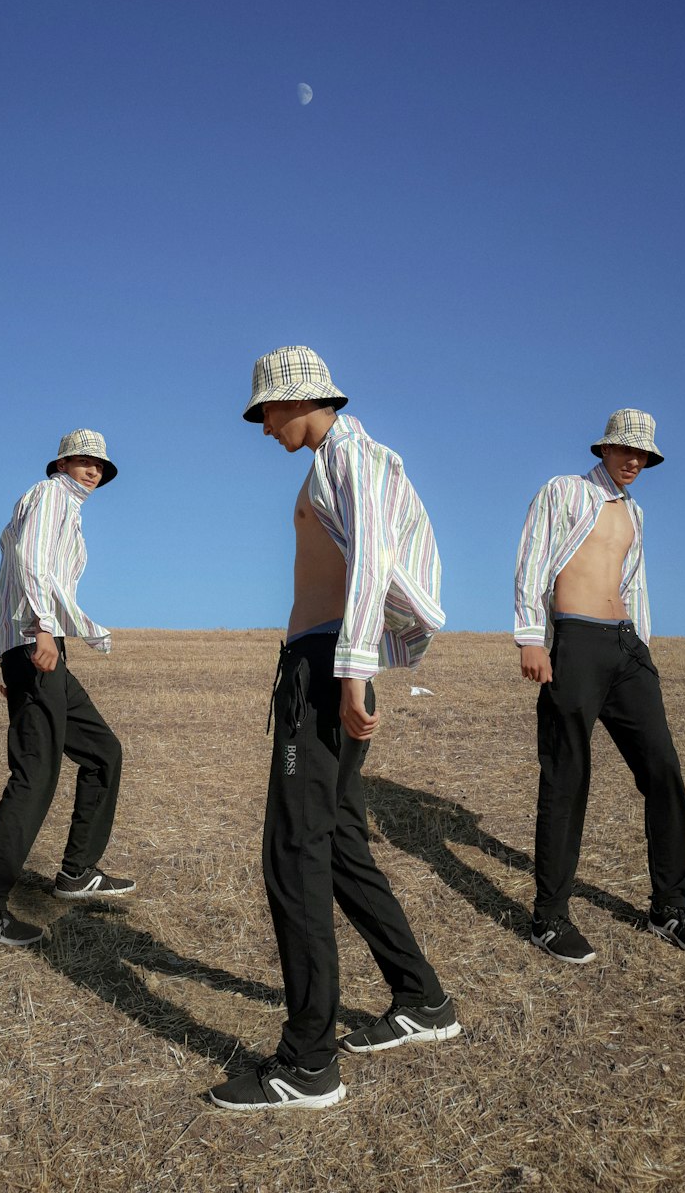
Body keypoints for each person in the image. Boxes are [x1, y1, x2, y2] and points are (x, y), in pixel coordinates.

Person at [209, 345, 460, 1112]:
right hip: (322, 663)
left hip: (327, 668)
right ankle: (422, 999)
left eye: (267, 412)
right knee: (341, 838)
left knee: (293, 851)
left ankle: (309, 1062)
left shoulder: (353, 455)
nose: (262, 427)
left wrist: (352, 667)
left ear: (303, 400)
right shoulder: (332, 463)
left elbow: (378, 556)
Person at [514, 409, 685, 965]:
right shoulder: (563, 491)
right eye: (625, 450)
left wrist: (642, 650)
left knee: (663, 770)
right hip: (575, 642)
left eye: (644, 456)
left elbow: (635, 584)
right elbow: (533, 560)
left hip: (626, 646)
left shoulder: (636, 513)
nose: (634, 461)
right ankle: (550, 918)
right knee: (567, 777)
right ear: (602, 449)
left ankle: (669, 907)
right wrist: (532, 638)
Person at [0, 429, 134, 947]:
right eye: (84, 460)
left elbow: (13, 567)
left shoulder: (60, 506)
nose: (94, 470)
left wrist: (18, 651)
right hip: (39, 642)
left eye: (100, 464)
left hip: (33, 648)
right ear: (63, 462)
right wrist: (39, 631)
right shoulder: (52, 494)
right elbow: (30, 563)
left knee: (103, 752)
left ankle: (77, 872)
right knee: (35, 776)